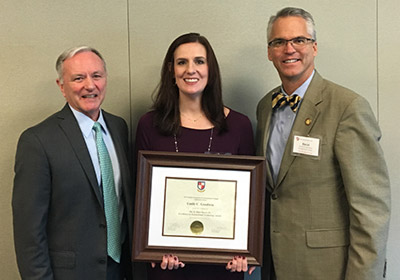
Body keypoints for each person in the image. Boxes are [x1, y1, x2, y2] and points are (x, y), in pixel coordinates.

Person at [256, 7, 391, 279]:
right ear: (269, 52)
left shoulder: (347, 107)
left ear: (314, 47)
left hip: (329, 268)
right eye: (279, 42)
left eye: (299, 40)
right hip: (274, 265)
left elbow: (371, 210)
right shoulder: (265, 107)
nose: (289, 49)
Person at [135, 32, 255, 280]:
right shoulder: (149, 125)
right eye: (182, 62)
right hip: (167, 266)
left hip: (224, 267)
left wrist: (247, 250)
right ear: (171, 70)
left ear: (211, 69)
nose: (191, 70)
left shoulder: (239, 125)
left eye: (199, 61)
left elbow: (251, 199)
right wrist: (152, 247)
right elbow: (141, 197)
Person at [12, 46, 134, 280]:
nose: (90, 85)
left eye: (97, 75)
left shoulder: (119, 128)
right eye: (78, 78)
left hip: (120, 271)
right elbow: (29, 233)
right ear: (61, 86)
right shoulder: (37, 141)